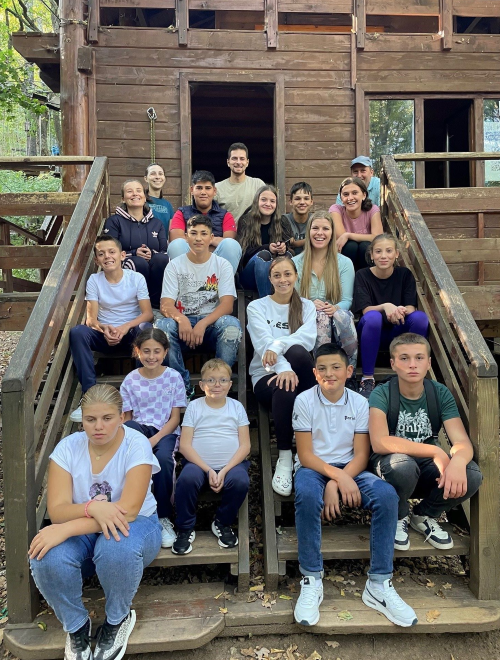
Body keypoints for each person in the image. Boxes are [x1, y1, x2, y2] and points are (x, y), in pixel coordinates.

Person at [29, 384, 162, 660]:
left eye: (107, 418)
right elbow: (57, 510)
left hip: (137, 527)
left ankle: (117, 619)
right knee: (45, 555)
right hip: (87, 530)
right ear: (82, 420)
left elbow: (129, 511)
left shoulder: (136, 444)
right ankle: (76, 625)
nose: (98, 426)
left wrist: (67, 528)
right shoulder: (68, 448)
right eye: (90, 419)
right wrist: (93, 508)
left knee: (115, 547)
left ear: (122, 417)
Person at [292, 344, 417, 628]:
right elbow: (306, 455)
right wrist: (334, 479)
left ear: (349, 371)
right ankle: (311, 578)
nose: (329, 373)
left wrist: (340, 480)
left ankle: (379, 583)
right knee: (307, 493)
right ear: (314, 373)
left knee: (386, 495)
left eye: (336, 367)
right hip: (314, 468)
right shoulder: (304, 401)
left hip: (352, 468)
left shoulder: (360, 403)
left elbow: (361, 455)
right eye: (322, 368)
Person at [368, 333, 482, 552]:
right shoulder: (382, 393)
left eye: (419, 358)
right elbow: (379, 442)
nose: (412, 364)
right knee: (403, 466)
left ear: (429, 363)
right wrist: (435, 451)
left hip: (427, 469)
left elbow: (461, 441)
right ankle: (398, 514)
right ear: (393, 363)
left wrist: (458, 462)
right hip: (392, 467)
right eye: (404, 358)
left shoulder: (439, 393)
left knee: (472, 474)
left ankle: (425, 515)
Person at [247, 256, 317, 496]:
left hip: (301, 373)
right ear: (270, 279)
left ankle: (307, 448)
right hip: (265, 374)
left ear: (296, 276)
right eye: (277, 275)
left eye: (287, 274)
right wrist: (283, 369)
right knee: (285, 388)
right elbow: (262, 344)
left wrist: (278, 347)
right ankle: (285, 457)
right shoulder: (257, 307)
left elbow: (307, 339)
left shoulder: (307, 306)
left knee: (298, 351)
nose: (283, 279)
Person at [69, 234, 153, 422]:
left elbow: (148, 313)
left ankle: (142, 394)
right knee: (77, 332)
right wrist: (104, 329)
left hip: (131, 336)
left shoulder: (136, 278)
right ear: (97, 260)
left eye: (111, 252)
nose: (107, 256)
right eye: (101, 254)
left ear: (122, 255)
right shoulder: (94, 280)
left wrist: (124, 327)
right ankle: (89, 396)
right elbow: (91, 320)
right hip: (104, 335)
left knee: (145, 328)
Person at [157, 214, 241, 400]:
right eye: (193, 233)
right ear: (186, 237)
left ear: (211, 238)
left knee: (231, 326)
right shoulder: (174, 266)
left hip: (211, 326)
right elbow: (166, 304)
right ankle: (182, 387)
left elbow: (227, 305)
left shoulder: (222, 265)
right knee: (162, 327)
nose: (198, 238)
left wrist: (203, 324)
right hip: (182, 327)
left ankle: (218, 384)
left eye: (204, 234)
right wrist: (182, 319)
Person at [172, 358, 251, 555]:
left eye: (223, 380)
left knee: (241, 481)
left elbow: (245, 445)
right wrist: (208, 469)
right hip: (198, 465)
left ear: (230, 384)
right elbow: (185, 445)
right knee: (187, 479)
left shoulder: (236, 407)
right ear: (201, 385)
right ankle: (185, 528)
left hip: (231, 466)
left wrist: (224, 470)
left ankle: (222, 522)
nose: (217, 385)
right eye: (211, 380)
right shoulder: (194, 407)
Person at [120, 328, 187, 549]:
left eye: (157, 351)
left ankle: (163, 517)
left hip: (165, 431)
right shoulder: (130, 380)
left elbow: (175, 418)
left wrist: (154, 440)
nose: (151, 356)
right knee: (131, 440)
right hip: (138, 429)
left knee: (164, 461)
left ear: (165, 352)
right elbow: (127, 419)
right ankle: (135, 509)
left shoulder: (174, 377)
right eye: (146, 351)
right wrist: (139, 441)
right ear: (137, 351)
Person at [353, 233, 429, 399]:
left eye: (388, 251)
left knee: (420, 318)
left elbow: (410, 307)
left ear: (396, 254)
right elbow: (366, 310)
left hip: (397, 329)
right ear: (371, 255)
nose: (383, 256)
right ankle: (367, 378)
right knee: (373, 317)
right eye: (378, 251)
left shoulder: (404, 274)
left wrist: (397, 312)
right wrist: (386, 306)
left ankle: (411, 371)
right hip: (371, 332)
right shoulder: (362, 275)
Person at [293, 210, 358, 390]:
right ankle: (321, 374)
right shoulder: (296, 263)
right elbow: (294, 299)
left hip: (337, 316)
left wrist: (335, 308)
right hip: (307, 317)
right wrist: (309, 304)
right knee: (320, 317)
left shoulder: (344, 263)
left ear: (332, 233)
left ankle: (349, 375)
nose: (320, 233)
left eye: (325, 229)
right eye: (315, 228)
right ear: (308, 231)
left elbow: (347, 300)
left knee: (343, 315)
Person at [103, 179, 169, 309]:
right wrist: (134, 253)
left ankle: (156, 305)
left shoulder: (157, 223)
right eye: (129, 191)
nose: (135, 194)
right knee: (138, 262)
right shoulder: (114, 221)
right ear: (123, 199)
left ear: (144, 198)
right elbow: (110, 250)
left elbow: (164, 250)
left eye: (139, 191)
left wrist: (151, 254)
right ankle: (137, 306)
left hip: (153, 264)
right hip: (126, 263)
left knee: (162, 259)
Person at [168, 170, 242, 274]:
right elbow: (177, 240)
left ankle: (222, 283)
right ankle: (186, 283)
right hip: (189, 265)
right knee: (177, 244)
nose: (203, 192)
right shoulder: (181, 213)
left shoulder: (226, 215)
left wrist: (199, 241)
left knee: (231, 245)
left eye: (207, 188)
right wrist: (212, 241)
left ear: (214, 191)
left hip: (216, 266)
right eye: (199, 188)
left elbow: (228, 243)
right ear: (192, 190)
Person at [238, 185, 293, 297]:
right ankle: (266, 302)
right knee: (264, 255)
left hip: (276, 273)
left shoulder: (282, 221)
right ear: (256, 201)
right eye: (264, 200)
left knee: (288, 256)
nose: (268, 204)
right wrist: (267, 248)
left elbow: (291, 249)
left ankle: (290, 300)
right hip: (250, 275)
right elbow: (243, 254)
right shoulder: (246, 220)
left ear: (276, 204)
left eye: (272, 201)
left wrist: (283, 249)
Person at [330, 177, 383, 272]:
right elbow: (340, 236)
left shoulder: (372, 210)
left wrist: (348, 235)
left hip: (366, 259)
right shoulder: (336, 209)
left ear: (364, 195)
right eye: (346, 194)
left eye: (354, 193)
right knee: (351, 246)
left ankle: (365, 278)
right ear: (341, 198)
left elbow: (378, 237)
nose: (350, 198)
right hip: (344, 256)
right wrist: (346, 236)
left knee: (365, 246)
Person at [215, 142, 265, 222]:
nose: (238, 162)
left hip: (253, 230)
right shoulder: (217, 188)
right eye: (234, 158)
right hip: (226, 230)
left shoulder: (258, 185)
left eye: (242, 159)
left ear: (247, 162)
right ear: (228, 162)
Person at [282, 182, 314, 255]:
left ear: (311, 202)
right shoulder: (284, 220)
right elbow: (289, 244)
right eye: (297, 199)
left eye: (306, 198)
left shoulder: (315, 220)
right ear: (291, 202)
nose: (302, 202)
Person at [144, 162, 175, 235]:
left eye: (160, 174)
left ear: (164, 178)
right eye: (153, 174)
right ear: (146, 178)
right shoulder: (141, 201)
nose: (157, 177)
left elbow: (171, 232)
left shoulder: (168, 205)